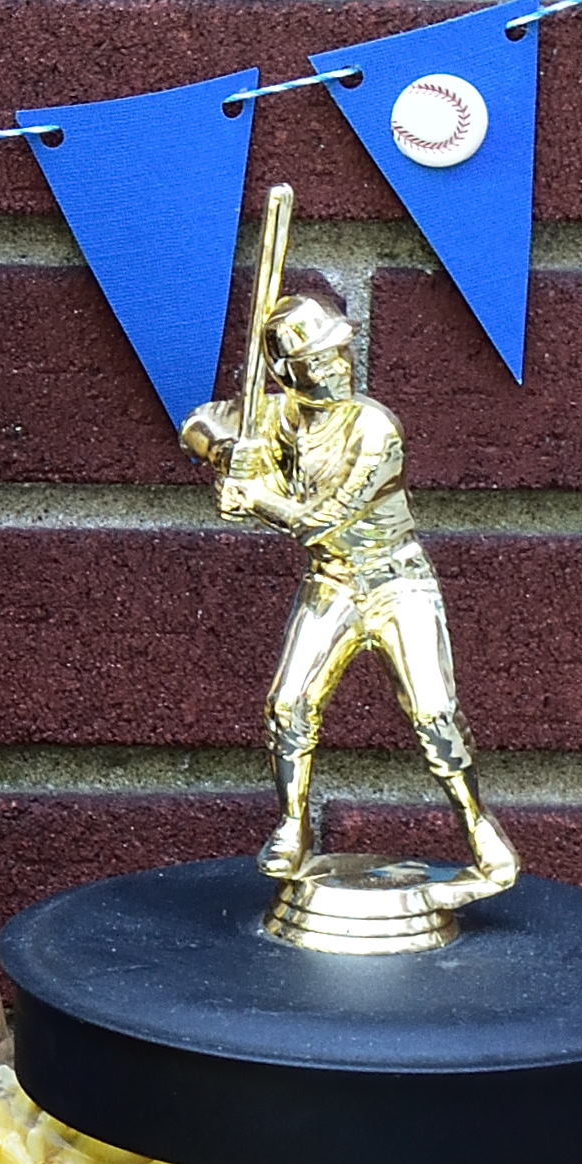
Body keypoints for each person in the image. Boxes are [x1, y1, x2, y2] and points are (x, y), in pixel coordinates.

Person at [182, 280, 517, 903]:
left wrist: (256, 498)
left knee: (434, 715)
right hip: (330, 583)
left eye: (340, 355)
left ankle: (479, 826)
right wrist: (228, 452)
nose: (335, 368)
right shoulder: (279, 416)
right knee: (287, 704)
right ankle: (292, 825)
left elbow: (322, 517)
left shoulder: (375, 427)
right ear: (285, 372)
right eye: (317, 361)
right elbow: (201, 423)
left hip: (397, 581)